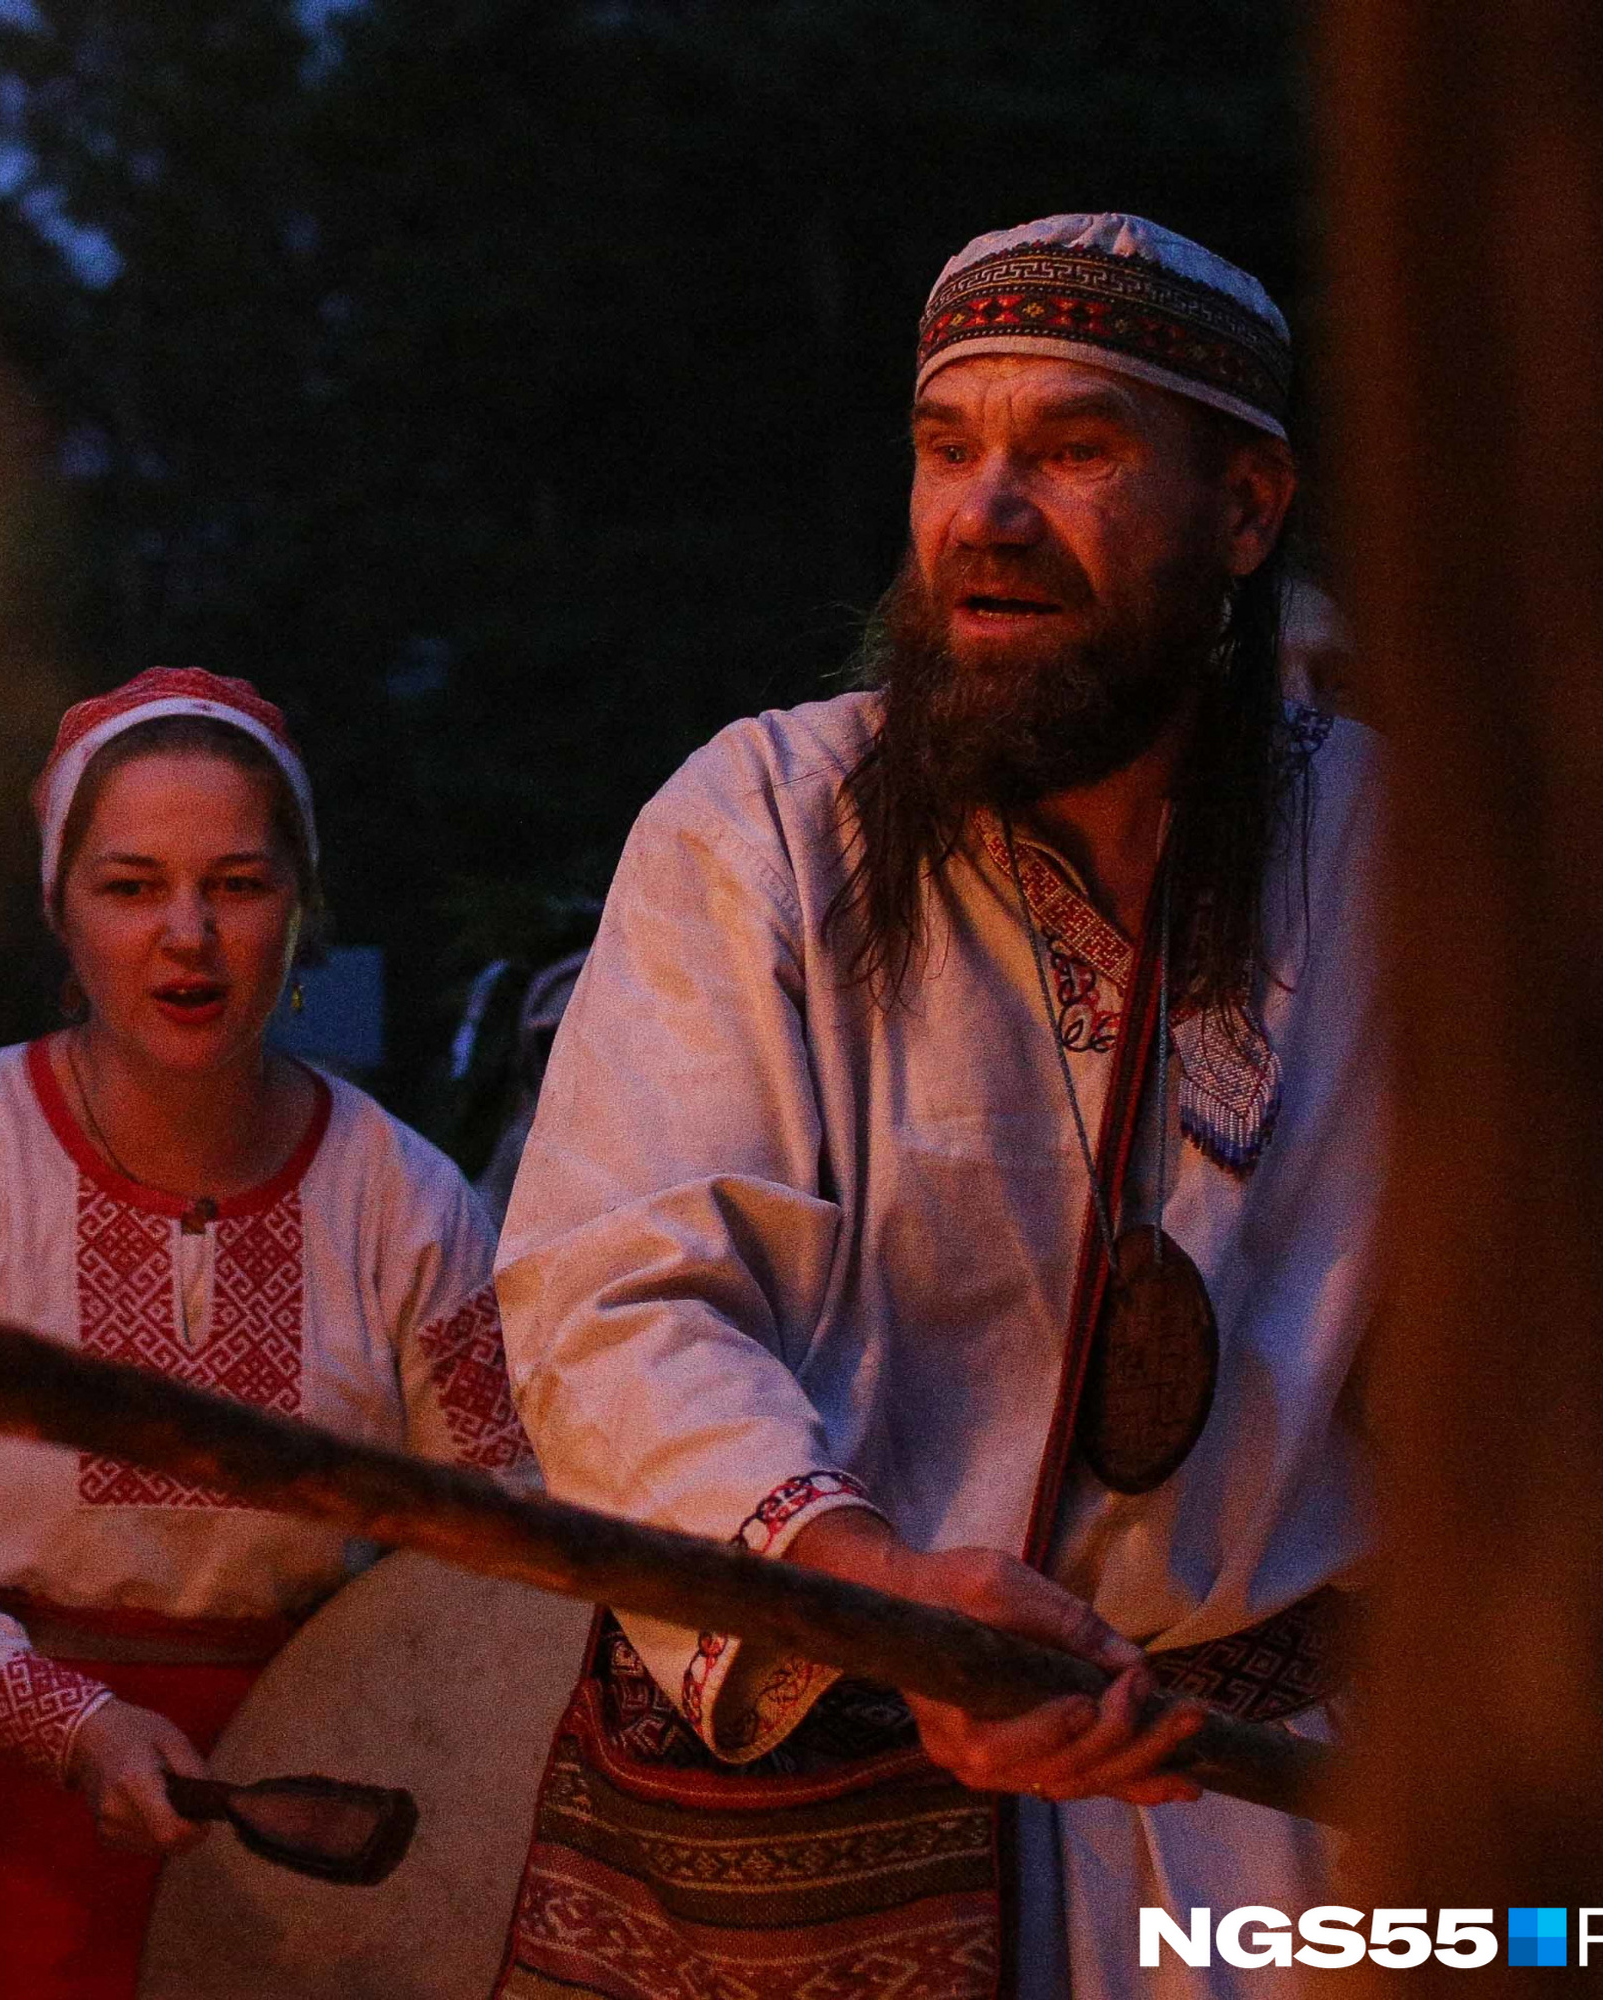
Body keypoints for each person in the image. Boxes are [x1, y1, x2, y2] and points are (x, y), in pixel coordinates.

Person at [491, 214, 1373, 1999]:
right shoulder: (759, 821)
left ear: (1249, 508)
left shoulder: (1406, 848)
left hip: (1293, 1831)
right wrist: (860, 1578)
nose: (986, 513)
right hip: (844, 1780)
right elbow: (616, 1292)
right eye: (949, 449)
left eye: (1073, 450)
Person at [0, 667, 534, 2000]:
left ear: (303, 908)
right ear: (63, 911)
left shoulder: (405, 1202)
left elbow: (499, 1557)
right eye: (130, 886)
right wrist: (78, 1726)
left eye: (237, 884)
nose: (188, 934)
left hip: (286, 1847)